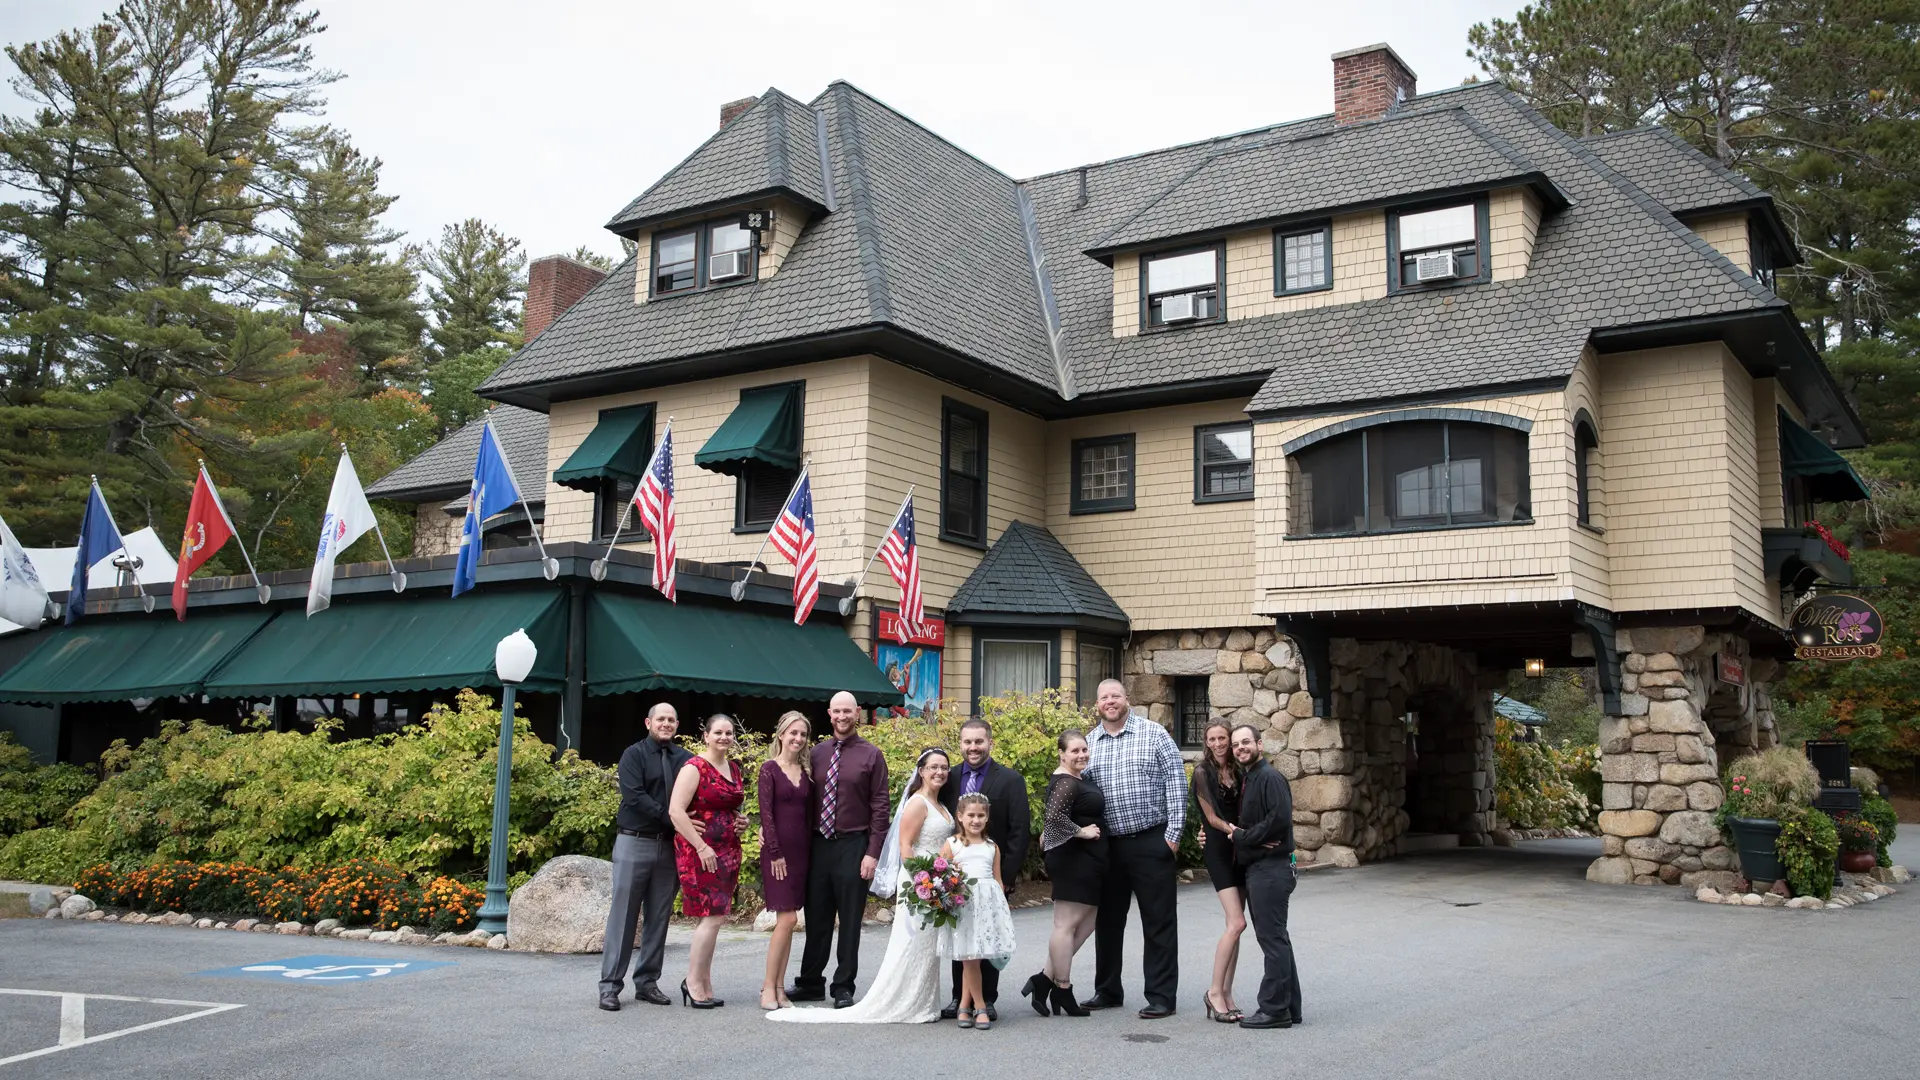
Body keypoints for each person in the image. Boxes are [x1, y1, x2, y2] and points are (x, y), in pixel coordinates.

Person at [770, 748, 955, 1024]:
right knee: (905, 940)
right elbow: (906, 846)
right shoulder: (917, 803)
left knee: (911, 939)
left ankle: (909, 998)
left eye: (944, 767)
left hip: (917, 872)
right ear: (921, 770)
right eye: (933, 767)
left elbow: (937, 841)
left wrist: (944, 878)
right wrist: (924, 882)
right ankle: (821, 983)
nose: (939, 772)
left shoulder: (935, 801)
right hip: (914, 879)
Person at [1081, 679, 1185, 1018]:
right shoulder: (1089, 743)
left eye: (1115, 696)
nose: (1110, 702)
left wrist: (1173, 836)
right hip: (1108, 846)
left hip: (1151, 841)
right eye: (1104, 698)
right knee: (1108, 922)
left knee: (1158, 922)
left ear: (1127, 699)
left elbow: (1176, 782)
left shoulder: (1154, 734)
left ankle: (1161, 996)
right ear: (1097, 704)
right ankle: (1108, 989)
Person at [792, 691, 890, 1008]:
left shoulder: (872, 755)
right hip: (818, 845)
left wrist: (872, 853)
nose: (842, 716)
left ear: (857, 713)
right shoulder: (815, 754)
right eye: (837, 711)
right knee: (816, 918)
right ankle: (810, 982)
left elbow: (880, 807)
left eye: (848, 711)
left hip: (854, 844)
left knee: (849, 920)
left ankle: (843, 986)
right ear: (829, 714)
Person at [598, 703, 691, 1011]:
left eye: (671, 720)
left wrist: (731, 818)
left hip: (669, 846)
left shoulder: (686, 760)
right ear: (648, 722)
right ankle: (610, 986)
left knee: (659, 917)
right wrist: (673, 817)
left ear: (677, 724)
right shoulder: (633, 755)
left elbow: (704, 796)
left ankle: (647, 983)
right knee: (623, 917)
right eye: (660, 719)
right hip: (633, 843)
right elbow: (634, 797)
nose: (666, 724)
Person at [937, 718, 1032, 1021]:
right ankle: (958, 999)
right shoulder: (949, 778)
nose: (973, 747)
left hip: (990, 875)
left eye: (979, 741)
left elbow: (1019, 831)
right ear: (960, 744)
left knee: (987, 938)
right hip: (957, 874)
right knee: (960, 937)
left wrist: (1006, 878)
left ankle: (987, 999)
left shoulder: (1010, 779)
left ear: (990, 742)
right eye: (967, 742)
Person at [1023, 729, 1104, 1018]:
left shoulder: (1077, 778)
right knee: (1065, 924)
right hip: (1073, 860)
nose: (1081, 755)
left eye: (1084, 750)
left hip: (1088, 860)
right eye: (1075, 751)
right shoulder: (1066, 782)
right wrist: (1081, 831)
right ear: (1061, 753)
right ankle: (1063, 987)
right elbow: (1054, 818)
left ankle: (1044, 979)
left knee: (1088, 921)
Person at [669, 713, 747, 1008]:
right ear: (706, 735)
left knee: (717, 918)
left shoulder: (733, 768)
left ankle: (704, 980)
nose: (724, 737)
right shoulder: (694, 767)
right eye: (718, 732)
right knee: (710, 916)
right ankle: (692, 981)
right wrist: (701, 847)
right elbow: (676, 812)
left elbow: (731, 805)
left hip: (728, 850)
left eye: (729, 733)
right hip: (700, 852)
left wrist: (743, 821)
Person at [1228, 723, 1302, 1030]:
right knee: (1278, 939)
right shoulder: (1250, 778)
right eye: (1236, 745)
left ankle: (1273, 1010)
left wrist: (1245, 837)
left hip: (1271, 869)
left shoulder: (1270, 777)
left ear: (1260, 744)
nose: (1240, 748)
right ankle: (1290, 1008)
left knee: (1272, 940)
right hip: (1260, 868)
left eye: (1246, 742)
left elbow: (1280, 820)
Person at [939, 793, 1016, 1030]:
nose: (976, 820)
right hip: (963, 905)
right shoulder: (952, 844)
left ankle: (964, 1005)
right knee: (970, 959)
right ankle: (980, 1006)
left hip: (986, 907)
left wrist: (1000, 913)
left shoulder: (992, 847)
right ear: (960, 817)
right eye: (970, 815)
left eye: (981, 815)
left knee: (973, 957)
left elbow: (998, 881)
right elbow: (941, 878)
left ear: (987, 817)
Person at [1191, 719, 1247, 1022]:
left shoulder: (1239, 769)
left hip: (1242, 850)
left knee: (1236, 927)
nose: (1218, 744)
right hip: (1219, 849)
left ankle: (1227, 992)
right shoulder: (1202, 773)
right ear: (1206, 741)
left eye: (1222, 737)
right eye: (1211, 739)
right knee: (1237, 923)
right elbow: (1211, 817)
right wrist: (1237, 831)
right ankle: (1214, 992)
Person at [758, 711, 814, 1010]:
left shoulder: (806, 772)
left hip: (802, 853)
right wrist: (775, 852)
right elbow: (766, 815)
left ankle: (780, 989)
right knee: (788, 918)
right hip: (777, 855)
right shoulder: (769, 769)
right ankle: (768, 987)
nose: (798, 738)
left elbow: (808, 817)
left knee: (789, 922)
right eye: (793, 732)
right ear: (780, 734)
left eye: (803, 734)